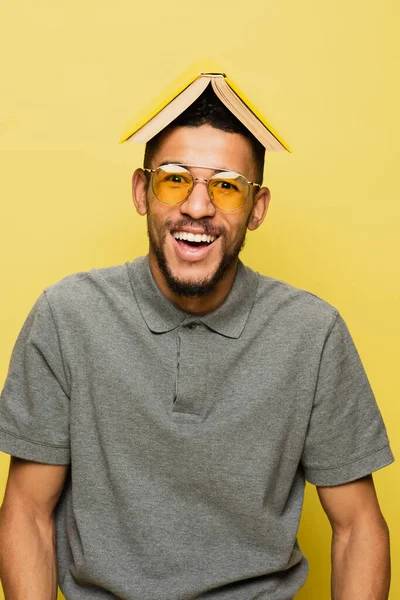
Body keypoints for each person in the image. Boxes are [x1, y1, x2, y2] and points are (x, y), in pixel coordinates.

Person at [0, 86, 394, 600]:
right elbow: (28, 513)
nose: (199, 207)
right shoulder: (67, 316)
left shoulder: (311, 332)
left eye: (228, 187)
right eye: (175, 181)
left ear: (257, 207)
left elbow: (358, 527)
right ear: (142, 192)